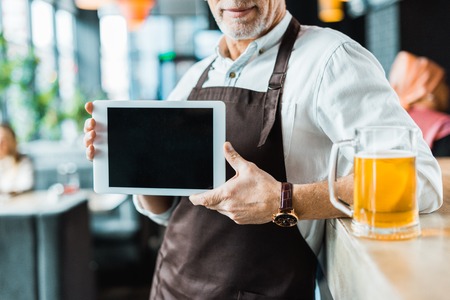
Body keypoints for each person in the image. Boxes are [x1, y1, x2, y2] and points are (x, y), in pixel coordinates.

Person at [84, 1, 443, 298]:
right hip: (169, 287)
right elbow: (166, 212)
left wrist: (284, 200)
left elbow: (420, 182)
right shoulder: (195, 76)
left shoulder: (332, 58)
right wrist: (133, 163)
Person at [389, 51, 450, 156]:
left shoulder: (392, 118)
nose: (447, 89)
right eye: (442, 82)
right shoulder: (443, 126)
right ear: (429, 89)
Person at [0, 123, 34, 197]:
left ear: (13, 141)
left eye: (4, 140)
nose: (1, 144)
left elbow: (25, 186)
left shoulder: (24, 162)